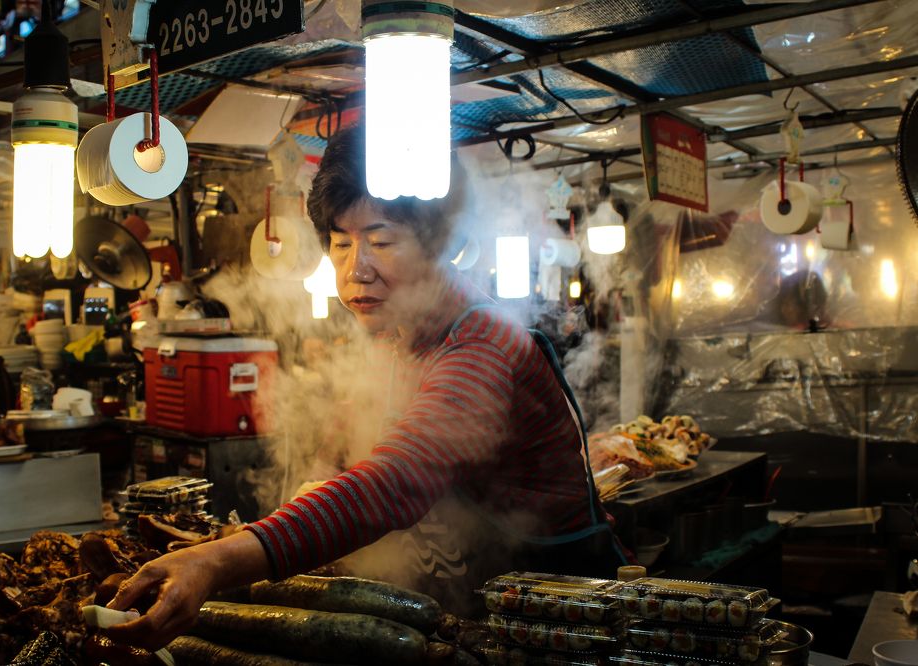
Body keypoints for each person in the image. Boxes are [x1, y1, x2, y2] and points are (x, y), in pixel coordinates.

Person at [106, 126, 627, 650]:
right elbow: (340, 446)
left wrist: (215, 562)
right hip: (462, 619)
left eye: (381, 241)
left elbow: (395, 481)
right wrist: (312, 493)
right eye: (339, 243)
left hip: (557, 627)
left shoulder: (483, 344)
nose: (356, 269)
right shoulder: (392, 333)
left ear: (438, 245)